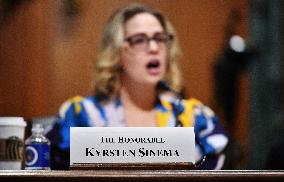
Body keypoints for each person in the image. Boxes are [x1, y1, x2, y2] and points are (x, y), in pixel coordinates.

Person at [47, 3, 228, 170]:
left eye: (160, 38)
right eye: (139, 40)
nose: (154, 47)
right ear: (116, 50)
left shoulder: (193, 116)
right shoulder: (81, 115)